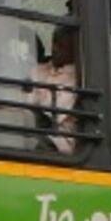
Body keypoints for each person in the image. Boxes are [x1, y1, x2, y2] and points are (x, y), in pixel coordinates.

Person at [31, 24, 80, 154]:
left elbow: (55, 114)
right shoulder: (38, 69)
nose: (54, 49)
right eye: (54, 42)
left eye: (62, 47)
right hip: (30, 127)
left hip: (58, 140)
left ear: (74, 51)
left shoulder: (78, 79)